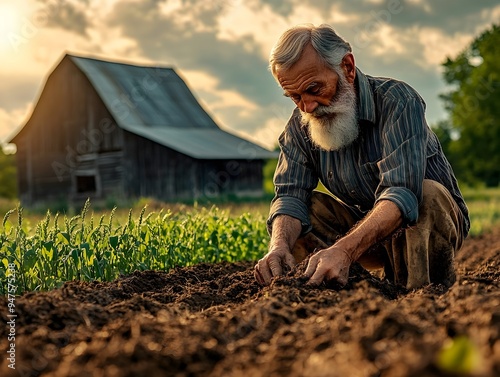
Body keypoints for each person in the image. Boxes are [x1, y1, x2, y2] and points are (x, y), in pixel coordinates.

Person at [254, 24, 469, 290]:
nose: (307, 107)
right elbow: (289, 195)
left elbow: (402, 192)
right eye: (294, 97)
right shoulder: (299, 126)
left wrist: (343, 250)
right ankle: (334, 295)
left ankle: (421, 297)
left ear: (347, 67)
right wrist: (278, 246)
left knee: (428, 193)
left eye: (314, 89)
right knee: (301, 214)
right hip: (366, 232)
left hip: (426, 227)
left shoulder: (397, 102)